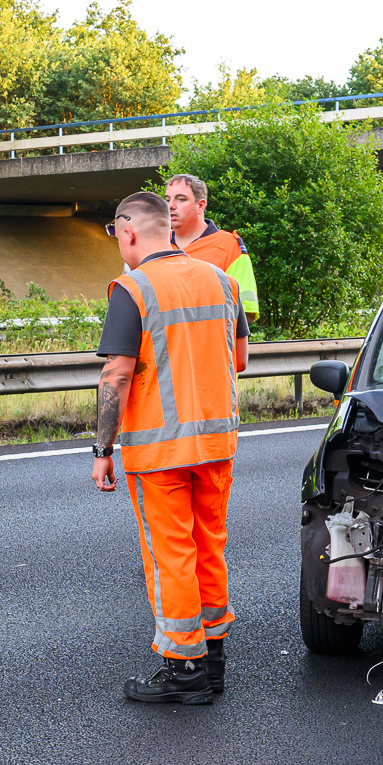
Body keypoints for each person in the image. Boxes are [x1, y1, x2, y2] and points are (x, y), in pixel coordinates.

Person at [92, 190, 249, 704]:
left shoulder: (131, 289)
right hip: (217, 441)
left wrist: (102, 450)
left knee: (170, 556)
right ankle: (214, 658)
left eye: (116, 234)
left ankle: (184, 670)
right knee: (209, 546)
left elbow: (115, 375)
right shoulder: (222, 281)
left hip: (160, 451)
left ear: (128, 231)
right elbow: (240, 358)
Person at [164, 173, 260, 324]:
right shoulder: (157, 244)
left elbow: (246, 313)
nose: (170, 206)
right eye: (167, 199)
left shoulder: (229, 246)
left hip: (212, 345)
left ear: (201, 205)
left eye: (181, 199)